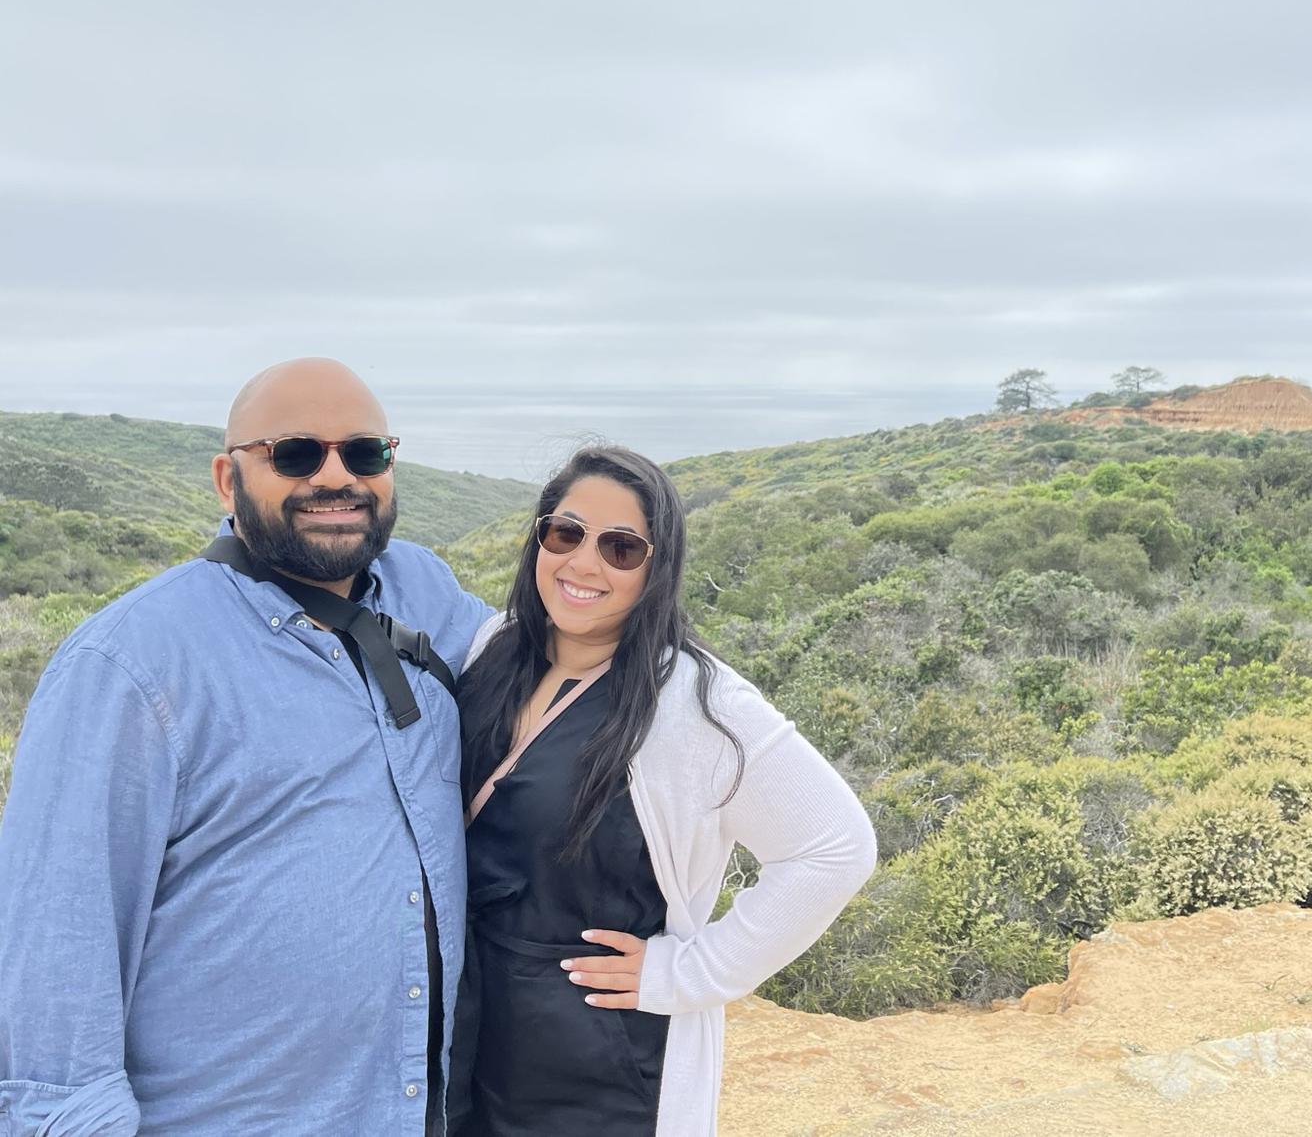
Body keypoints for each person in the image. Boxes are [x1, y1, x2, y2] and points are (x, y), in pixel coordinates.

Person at [0, 358, 493, 1136]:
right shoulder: (130, 667)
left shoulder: (422, 591)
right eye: (296, 453)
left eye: (365, 454)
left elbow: (566, 659)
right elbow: (58, 964)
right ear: (228, 480)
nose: (337, 477)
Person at [453, 444, 877, 1137]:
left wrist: (690, 973)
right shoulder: (493, 649)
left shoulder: (696, 706)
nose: (584, 563)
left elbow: (836, 847)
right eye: (566, 533)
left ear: (657, 569)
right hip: (467, 1036)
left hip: (601, 1069)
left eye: (621, 548)